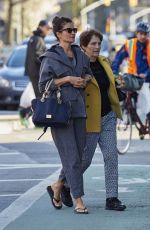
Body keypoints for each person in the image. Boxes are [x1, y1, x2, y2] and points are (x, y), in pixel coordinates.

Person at [55, 29, 126, 211]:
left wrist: (118, 86)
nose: (96, 47)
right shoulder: (78, 66)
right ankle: (64, 185)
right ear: (83, 47)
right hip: (88, 118)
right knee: (83, 159)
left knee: (111, 157)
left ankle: (112, 198)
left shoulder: (104, 62)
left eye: (98, 44)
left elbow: (108, 85)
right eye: (92, 44)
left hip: (108, 116)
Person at [39, 16, 93, 214]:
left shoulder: (80, 53)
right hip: (60, 113)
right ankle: (79, 200)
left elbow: (89, 73)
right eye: (69, 30)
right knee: (71, 157)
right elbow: (43, 85)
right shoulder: (50, 57)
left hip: (79, 109)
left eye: (74, 29)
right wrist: (67, 79)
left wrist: (83, 79)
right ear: (58, 34)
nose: (73, 33)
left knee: (78, 157)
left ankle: (57, 186)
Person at [112, 21, 150, 124]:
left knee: (147, 100)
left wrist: (146, 73)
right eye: (140, 33)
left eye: (145, 34)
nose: (143, 36)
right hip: (132, 78)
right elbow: (118, 58)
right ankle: (129, 112)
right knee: (121, 87)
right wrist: (114, 71)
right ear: (137, 33)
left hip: (146, 80)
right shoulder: (129, 44)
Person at [25, 20, 51, 98]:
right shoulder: (38, 39)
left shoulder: (33, 38)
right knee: (41, 97)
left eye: (49, 29)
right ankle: (41, 110)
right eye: (47, 28)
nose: (48, 31)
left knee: (40, 96)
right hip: (37, 73)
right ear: (40, 27)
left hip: (34, 73)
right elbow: (38, 56)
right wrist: (49, 65)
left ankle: (40, 109)